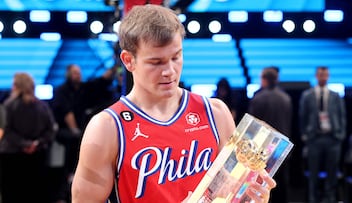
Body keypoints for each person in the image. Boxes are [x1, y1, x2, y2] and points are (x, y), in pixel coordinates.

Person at [71, 4, 276, 203]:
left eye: (176, 57)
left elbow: (229, 192)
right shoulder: (107, 128)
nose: (169, 70)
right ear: (128, 60)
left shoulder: (215, 113)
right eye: (156, 62)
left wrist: (250, 197)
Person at [50, 63, 116, 202]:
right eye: (75, 72)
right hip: (66, 132)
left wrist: (115, 65)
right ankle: (63, 192)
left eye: (79, 72)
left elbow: (101, 81)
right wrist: (77, 132)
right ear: (68, 74)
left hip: (82, 130)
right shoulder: (61, 90)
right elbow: (67, 113)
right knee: (74, 145)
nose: (78, 75)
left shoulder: (84, 88)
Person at [0, 72, 57, 203]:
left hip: (12, 157)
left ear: (17, 86)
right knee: (34, 194)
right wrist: (36, 144)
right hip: (37, 156)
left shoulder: (9, 106)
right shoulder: (43, 106)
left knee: (12, 194)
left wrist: (23, 144)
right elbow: (51, 130)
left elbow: (7, 131)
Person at [299, 66, 346, 203]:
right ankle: (313, 198)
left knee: (332, 172)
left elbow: (342, 116)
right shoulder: (307, 95)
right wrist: (305, 135)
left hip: (332, 138)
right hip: (314, 138)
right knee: (313, 172)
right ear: (316, 76)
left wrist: (340, 134)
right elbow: (303, 116)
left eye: (325, 75)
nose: (323, 77)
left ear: (328, 76)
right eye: (320, 74)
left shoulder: (335, 96)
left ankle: (330, 198)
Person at [247, 67, 293, 203]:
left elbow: (253, 128)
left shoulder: (257, 98)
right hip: (282, 148)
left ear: (264, 79)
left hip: (263, 150)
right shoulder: (286, 98)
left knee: (263, 185)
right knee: (282, 185)